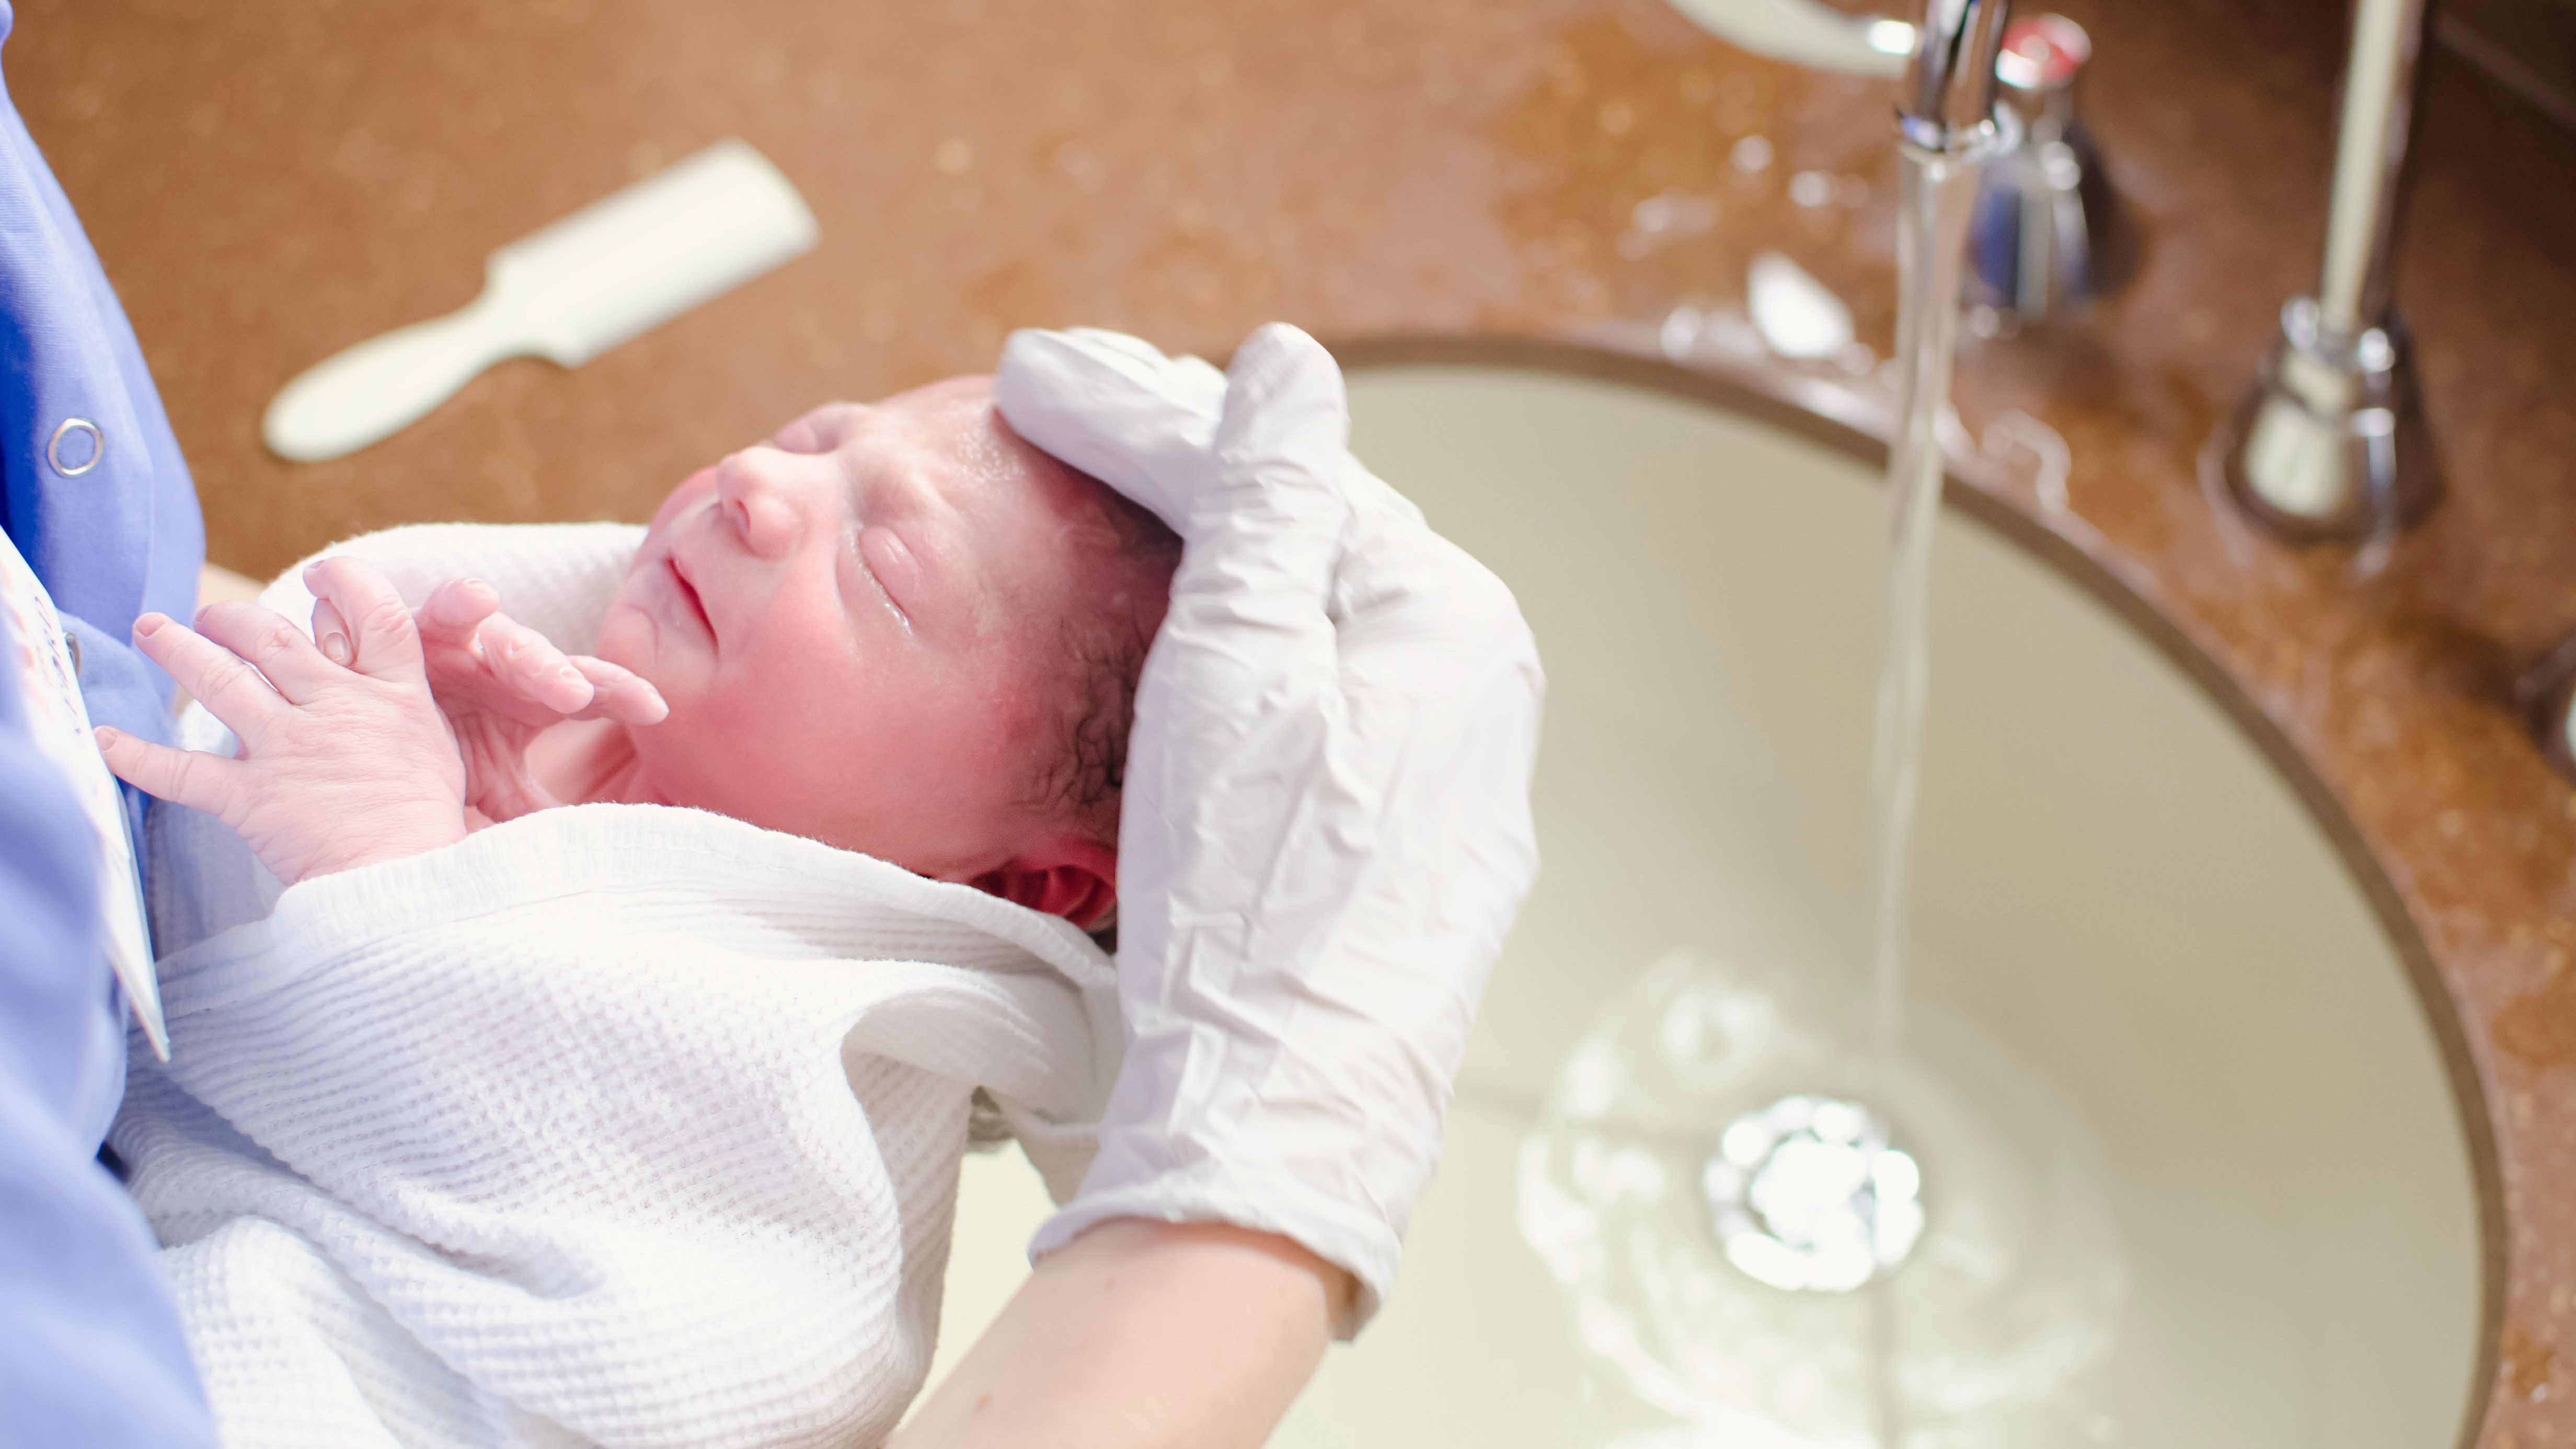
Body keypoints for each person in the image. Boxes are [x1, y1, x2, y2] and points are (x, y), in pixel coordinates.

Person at [0, 0, 1539, 1418]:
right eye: (817, 436)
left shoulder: (822, 1075)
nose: (757, 480)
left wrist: (392, 871)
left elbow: (686, 1352)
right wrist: (354, 811)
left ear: (1032, 879)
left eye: (884, 566)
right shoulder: (562, 764)